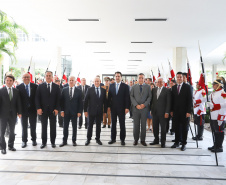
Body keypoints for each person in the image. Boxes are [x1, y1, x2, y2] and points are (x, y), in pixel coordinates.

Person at [35, 71, 61, 149]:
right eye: (47, 75)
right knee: (44, 127)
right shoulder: (40, 86)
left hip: (53, 111)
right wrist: (38, 108)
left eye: (50, 75)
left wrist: (57, 109)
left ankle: (53, 142)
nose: (48, 77)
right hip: (43, 110)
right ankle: (44, 142)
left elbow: (58, 99)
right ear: (45, 76)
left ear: (52, 77)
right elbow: (37, 98)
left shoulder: (56, 87)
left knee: (53, 127)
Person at [0, 74, 22, 154]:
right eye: (7, 80)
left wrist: (19, 112)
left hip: (13, 115)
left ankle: (11, 145)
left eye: (10, 80)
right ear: (5, 81)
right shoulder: (1, 90)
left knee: (12, 131)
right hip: (3, 115)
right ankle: (3, 147)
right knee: (2, 132)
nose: (9, 82)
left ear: (13, 82)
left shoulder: (16, 91)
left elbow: (18, 103)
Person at [171, 72, 192, 151]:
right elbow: (172, 100)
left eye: (180, 77)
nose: (179, 78)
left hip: (185, 112)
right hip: (176, 112)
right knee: (176, 127)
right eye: (178, 77)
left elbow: (190, 100)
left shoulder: (187, 87)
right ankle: (177, 142)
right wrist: (171, 110)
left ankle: (183, 143)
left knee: (184, 128)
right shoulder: (173, 88)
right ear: (176, 78)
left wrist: (189, 111)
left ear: (183, 78)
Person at [107, 71, 130, 145]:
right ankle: (113, 139)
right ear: (114, 77)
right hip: (113, 109)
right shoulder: (111, 85)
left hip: (122, 108)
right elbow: (109, 97)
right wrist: (108, 107)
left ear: (121, 77)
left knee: (122, 124)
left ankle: (122, 139)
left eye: (118, 76)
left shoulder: (125, 86)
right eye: (116, 76)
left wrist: (127, 107)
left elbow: (127, 98)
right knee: (113, 124)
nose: (117, 77)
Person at [60, 76, 82, 147]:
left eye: (73, 80)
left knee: (74, 127)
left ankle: (74, 140)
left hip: (74, 112)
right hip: (66, 112)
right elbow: (62, 101)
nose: (71, 81)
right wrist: (62, 111)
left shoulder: (79, 91)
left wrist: (79, 112)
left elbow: (80, 102)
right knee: (65, 127)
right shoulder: (64, 89)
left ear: (75, 81)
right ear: (68, 81)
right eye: (70, 80)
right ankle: (64, 141)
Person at [16, 73, 38, 148]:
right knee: (24, 126)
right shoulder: (18, 87)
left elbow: (37, 99)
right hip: (23, 111)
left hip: (33, 110)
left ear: (30, 78)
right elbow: (17, 100)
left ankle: (34, 140)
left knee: (33, 126)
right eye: (24, 77)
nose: (26, 78)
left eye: (28, 77)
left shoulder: (35, 86)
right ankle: (24, 141)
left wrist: (38, 108)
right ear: (22, 78)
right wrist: (18, 111)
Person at [84, 77, 107, 146]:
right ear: (93, 82)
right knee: (90, 126)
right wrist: (85, 111)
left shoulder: (103, 90)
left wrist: (105, 112)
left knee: (98, 126)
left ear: (100, 82)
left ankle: (98, 138)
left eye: (98, 81)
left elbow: (105, 102)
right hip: (91, 111)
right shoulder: (89, 89)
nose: (96, 82)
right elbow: (85, 101)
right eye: (95, 81)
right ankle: (88, 139)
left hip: (99, 111)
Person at [130, 73, 152, 146]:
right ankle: (135, 139)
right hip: (136, 109)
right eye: (139, 78)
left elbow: (149, 97)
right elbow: (131, 96)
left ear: (144, 79)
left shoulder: (148, 87)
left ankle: (143, 140)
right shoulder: (133, 87)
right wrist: (136, 105)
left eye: (142, 78)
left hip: (144, 109)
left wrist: (144, 104)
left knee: (143, 125)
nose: (141, 79)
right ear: (137, 78)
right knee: (136, 125)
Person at [150, 77, 171, 148]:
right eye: (158, 82)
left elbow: (168, 103)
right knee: (155, 127)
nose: (159, 83)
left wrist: (167, 112)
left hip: (163, 113)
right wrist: (151, 110)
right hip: (154, 112)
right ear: (156, 83)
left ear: (163, 82)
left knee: (163, 128)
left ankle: (163, 142)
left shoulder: (167, 90)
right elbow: (152, 101)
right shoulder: (153, 89)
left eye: (161, 82)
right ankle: (156, 139)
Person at [206, 79, 226, 153]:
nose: (213, 85)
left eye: (214, 84)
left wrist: (214, 105)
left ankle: (219, 146)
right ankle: (215, 145)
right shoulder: (213, 93)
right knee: (214, 131)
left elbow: (224, 105)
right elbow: (206, 98)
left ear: (219, 85)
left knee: (219, 131)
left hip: (219, 115)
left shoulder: (222, 93)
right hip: (213, 115)